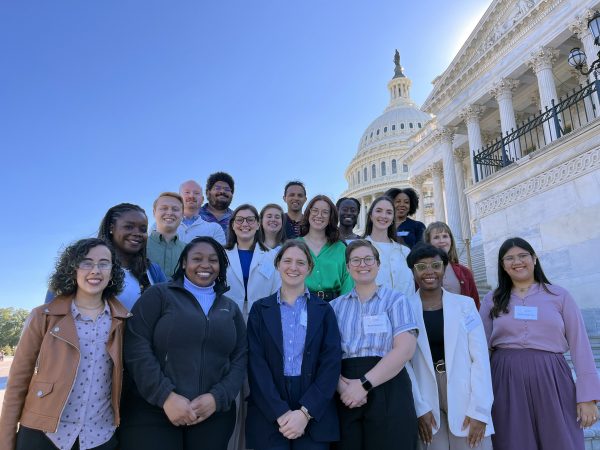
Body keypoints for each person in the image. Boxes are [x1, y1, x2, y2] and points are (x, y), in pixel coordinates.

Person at [0, 238, 128, 450]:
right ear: (72, 269)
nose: (95, 270)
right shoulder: (43, 316)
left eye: (104, 263)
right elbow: (16, 385)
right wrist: (5, 443)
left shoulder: (123, 321)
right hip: (42, 435)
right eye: (86, 262)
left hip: (100, 437)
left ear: (112, 271)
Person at [120, 237, 247, 450]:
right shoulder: (158, 294)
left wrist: (217, 397)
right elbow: (136, 346)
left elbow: (240, 356)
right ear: (184, 263)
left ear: (221, 266)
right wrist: (165, 396)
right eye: (197, 259)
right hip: (153, 412)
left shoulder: (230, 308)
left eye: (213, 260)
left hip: (213, 415)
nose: (205, 265)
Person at [479, 237, 600, 450]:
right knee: (513, 441)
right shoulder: (492, 300)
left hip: (552, 378)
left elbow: (580, 345)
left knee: (561, 440)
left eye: (523, 255)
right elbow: (480, 348)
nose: (517, 262)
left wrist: (587, 398)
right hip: (506, 380)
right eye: (509, 258)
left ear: (534, 259)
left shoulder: (559, 296)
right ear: (503, 265)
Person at [246, 240, 342, 450]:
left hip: (314, 407)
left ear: (309, 268)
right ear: (278, 264)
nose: (293, 267)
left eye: (300, 262)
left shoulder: (324, 310)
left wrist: (305, 412)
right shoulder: (259, 310)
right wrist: (279, 412)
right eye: (287, 261)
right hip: (269, 407)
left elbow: (331, 363)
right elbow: (255, 363)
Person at [331, 240, 419, 450]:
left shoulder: (396, 300)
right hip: (346, 391)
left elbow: (405, 348)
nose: (363, 264)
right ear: (348, 266)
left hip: (389, 384)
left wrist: (364, 385)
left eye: (368, 259)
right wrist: (342, 387)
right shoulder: (333, 307)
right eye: (356, 260)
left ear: (378, 264)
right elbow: (325, 355)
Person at [406, 243, 493, 450]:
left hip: (464, 391)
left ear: (444, 268)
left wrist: (480, 410)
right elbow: (404, 363)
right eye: (421, 267)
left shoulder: (465, 305)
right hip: (425, 394)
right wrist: (418, 408)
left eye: (435, 265)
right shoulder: (404, 307)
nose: (429, 272)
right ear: (413, 271)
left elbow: (480, 358)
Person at [97, 203, 166, 310]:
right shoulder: (94, 269)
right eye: (129, 227)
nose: (137, 233)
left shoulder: (152, 270)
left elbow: (167, 306)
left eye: (143, 229)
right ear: (112, 228)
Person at [224, 204, 281, 320]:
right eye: (239, 220)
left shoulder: (272, 256)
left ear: (258, 225)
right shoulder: (220, 255)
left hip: (263, 317)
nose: (245, 224)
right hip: (227, 317)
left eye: (250, 220)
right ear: (233, 225)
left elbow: (278, 290)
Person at [299, 195, 353, 301]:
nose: (319, 215)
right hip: (301, 304)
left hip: (334, 305)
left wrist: (343, 306)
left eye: (325, 212)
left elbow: (348, 281)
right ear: (308, 214)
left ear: (330, 218)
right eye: (315, 210)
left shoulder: (340, 248)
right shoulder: (295, 245)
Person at [362, 196, 414, 300]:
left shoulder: (405, 251)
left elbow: (410, 288)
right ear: (371, 215)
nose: (384, 216)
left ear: (393, 218)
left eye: (389, 212)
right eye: (379, 211)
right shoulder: (360, 249)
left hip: (404, 312)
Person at [424, 222, 480, 308]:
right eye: (436, 237)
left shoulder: (464, 272)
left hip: (461, 319)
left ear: (451, 240)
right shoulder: (421, 271)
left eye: (445, 236)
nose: (442, 241)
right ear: (428, 242)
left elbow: (475, 303)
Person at [147, 192, 187, 278]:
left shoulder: (188, 250)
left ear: (182, 215)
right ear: (154, 212)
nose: (169, 213)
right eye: (164, 208)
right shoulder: (140, 246)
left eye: (175, 209)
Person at [178, 180, 226, 244]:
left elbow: (221, 253)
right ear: (178, 198)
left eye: (196, 193)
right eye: (187, 192)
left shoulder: (215, 229)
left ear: (202, 200)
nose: (191, 196)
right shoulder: (162, 226)